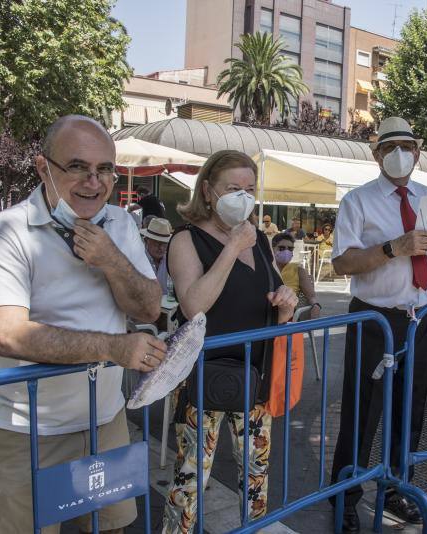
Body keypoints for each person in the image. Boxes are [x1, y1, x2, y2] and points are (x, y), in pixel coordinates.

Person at [0, 115, 166, 533]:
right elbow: (9, 334)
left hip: (105, 418)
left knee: (113, 527)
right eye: (77, 166)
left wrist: (112, 259)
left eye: (105, 170)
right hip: (25, 428)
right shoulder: (7, 231)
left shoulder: (120, 223)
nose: (93, 183)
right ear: (44, 168)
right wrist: (114, 348)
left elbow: (149, 309)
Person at [330, 117, 427, 532]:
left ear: (418, 152)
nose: (400, 154)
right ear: (377, 154)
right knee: (362, 411)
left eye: (407, 146)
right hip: (375, 318)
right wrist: (393, 248)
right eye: (391, 148)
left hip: (422, 318)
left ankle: (398, 489)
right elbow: (341, 262)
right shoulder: (359, 201)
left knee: (411, 410)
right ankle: (345, 498)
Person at [163, 150, 297, 532]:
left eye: (250, 188)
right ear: (207, 190)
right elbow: (193, 305)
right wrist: (232, 248)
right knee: (190, 480)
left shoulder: (259, 240)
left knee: (256, 478)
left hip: (256, 376)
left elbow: (272, 296)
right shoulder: (186, 240)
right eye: (232, 188)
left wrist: (286, 306)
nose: (243, 196)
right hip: (203, 378)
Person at [273, 232, 321, 319]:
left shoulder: (298, 270)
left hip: (288, 316)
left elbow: (311, 296)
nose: (286, 251)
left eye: (290, 249)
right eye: (282, 248)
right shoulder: (266, 268)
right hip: (265, 313)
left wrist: (315, 305)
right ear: (273, 249)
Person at [139, 216, 173, 296]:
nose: (161, 247)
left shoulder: (171, 260)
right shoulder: (138, 260)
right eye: (156, 242)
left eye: (164, 243)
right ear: (146, 240)